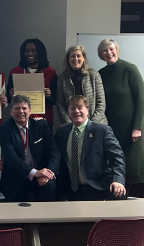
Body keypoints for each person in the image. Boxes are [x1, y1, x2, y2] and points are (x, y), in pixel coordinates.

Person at [55, 95, 128, 201]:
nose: (76, 111)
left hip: (97, 185)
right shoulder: (61, 131)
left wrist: (118, 180)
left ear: (87, 110)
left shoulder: (102, 131)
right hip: (72, 188)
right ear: (68, 112)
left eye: (80, 107)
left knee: (119, 193)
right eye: (72, 108)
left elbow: (117, 157)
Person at [97, 39, 144, 197]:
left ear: (116, 49)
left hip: (131, 131)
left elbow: (141, 99)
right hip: (111, 130)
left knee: (132, 169)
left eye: (111, 49)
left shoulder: (130, 69)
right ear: (101, 55)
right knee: (115, 167)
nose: (109, 52)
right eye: (105, 51)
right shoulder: (101, 74)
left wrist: (137, 127)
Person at [0, 94, 60, 202]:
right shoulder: (5, 129)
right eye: (16, 108)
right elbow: (10, 157)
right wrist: (34, 172)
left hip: (41, 175)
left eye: (24, 108)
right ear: (10, 111)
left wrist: (48, 173)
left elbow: (54, 150)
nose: (20, 111)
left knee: (49, 187)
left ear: (30, 110)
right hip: (17, 176)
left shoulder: (41, 125)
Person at [6, 39, 58, 127]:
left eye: (34, 51)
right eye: (26, 51)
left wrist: (49, 96)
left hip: (43, 121)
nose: (30, 54)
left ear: (40, 52)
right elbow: (8, 98)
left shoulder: (50, 72)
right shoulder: (15, 72)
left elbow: (56, 100)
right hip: (20, 121)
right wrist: (11, 95)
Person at [57, 45, 107, 126]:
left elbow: (101, 102)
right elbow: (60, 104)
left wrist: (92, 124)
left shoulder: (94, 75)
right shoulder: (62, 78)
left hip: (97, 125)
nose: (76, 59)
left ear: (83, 58)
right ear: (68, 59)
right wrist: (70, 124)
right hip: (72, 126)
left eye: (78, 56)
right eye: (72, 56)